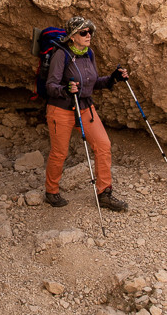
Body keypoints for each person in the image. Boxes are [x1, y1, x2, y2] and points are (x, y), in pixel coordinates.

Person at [43, 16, 129, 211]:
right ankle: (52, 191)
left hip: (85, 108)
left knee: (103, 145)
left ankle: (104, 193)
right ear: (73, 36)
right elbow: (51, 86)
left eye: (90, 31)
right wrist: (65, 89)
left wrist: (113, 79)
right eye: (83, 32)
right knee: (59, 153)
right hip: (61, 109)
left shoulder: (89, 54)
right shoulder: (61, 54)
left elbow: (94, 83)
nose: (88, 35)